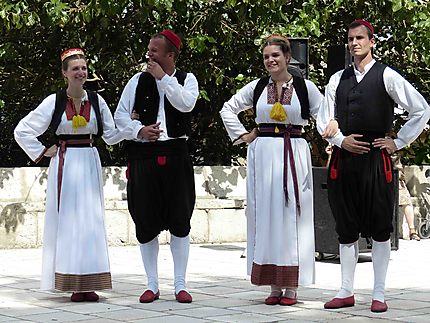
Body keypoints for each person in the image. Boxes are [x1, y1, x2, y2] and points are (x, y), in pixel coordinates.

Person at [317, 20, 430, 313]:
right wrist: (341, 140)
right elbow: (323, 119)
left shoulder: (387, 76)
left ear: (371, 41)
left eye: (360, 38)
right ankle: (345, 290)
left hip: (376, 158)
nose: (354, 43)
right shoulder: (336, 80)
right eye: (351, 39)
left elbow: (421, 108)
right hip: (343, 159)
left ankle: (379, 293)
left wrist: (399, 141)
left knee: (381, 226)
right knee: (345, 227)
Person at [220, 34, 323, 306]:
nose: (270, 60)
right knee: (266, 214)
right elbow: (227, 109)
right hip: (263, 154)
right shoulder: (256, 87)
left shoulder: (304, 87)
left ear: (287, 57)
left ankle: (291, 285)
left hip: (293, 151)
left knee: (291, 213)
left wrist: (332, 138)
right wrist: (244, 136)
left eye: (275, 55)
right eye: (266, 57)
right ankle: (273, 283)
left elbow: (325, 113)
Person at [14, 48, 123, 302]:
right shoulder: (54, 101)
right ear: (65, 73)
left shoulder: (96, 101)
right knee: (69, 221)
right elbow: (23, 130)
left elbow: (110, 135)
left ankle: (90, 282)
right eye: (75, 69)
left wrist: (132, 130)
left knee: (91, 220)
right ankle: (72, 282)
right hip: (65, 161)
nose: (81, 73)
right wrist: (42, 151)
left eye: (84, 68)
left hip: (90, 158)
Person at [114, 30, 199, 304]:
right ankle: (151, 283)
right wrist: (138, 130)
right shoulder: (136, 81)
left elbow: (185, 105)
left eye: (155, 51)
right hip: (144, 157)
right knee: (145, 219)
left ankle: (180, 284)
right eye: (148, 49)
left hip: (176, 155)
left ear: (170, 56)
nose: (149, 54)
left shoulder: (187, 80)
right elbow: (120, 116)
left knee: (180, 219)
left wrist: (163, 79)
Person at [392, 154, 420, 241]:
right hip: (382, 179)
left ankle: (412, 231)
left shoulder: (391, 147)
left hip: (396, 178)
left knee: (407, 201)